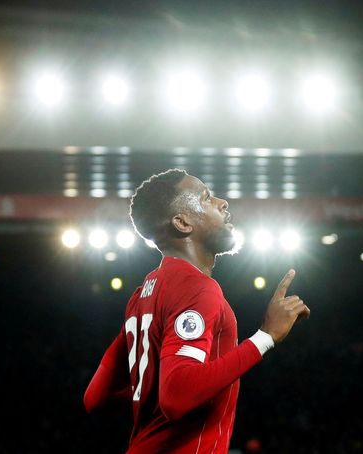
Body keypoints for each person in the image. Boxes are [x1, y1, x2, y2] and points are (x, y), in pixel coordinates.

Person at [84, 169, 310, 453]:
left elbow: (95, 397)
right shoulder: (197, 289)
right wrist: (265, 337)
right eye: (205, 198)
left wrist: (153, 392)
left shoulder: (141, 296)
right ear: (182, 222)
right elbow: (177, 396)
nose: (222, 202)